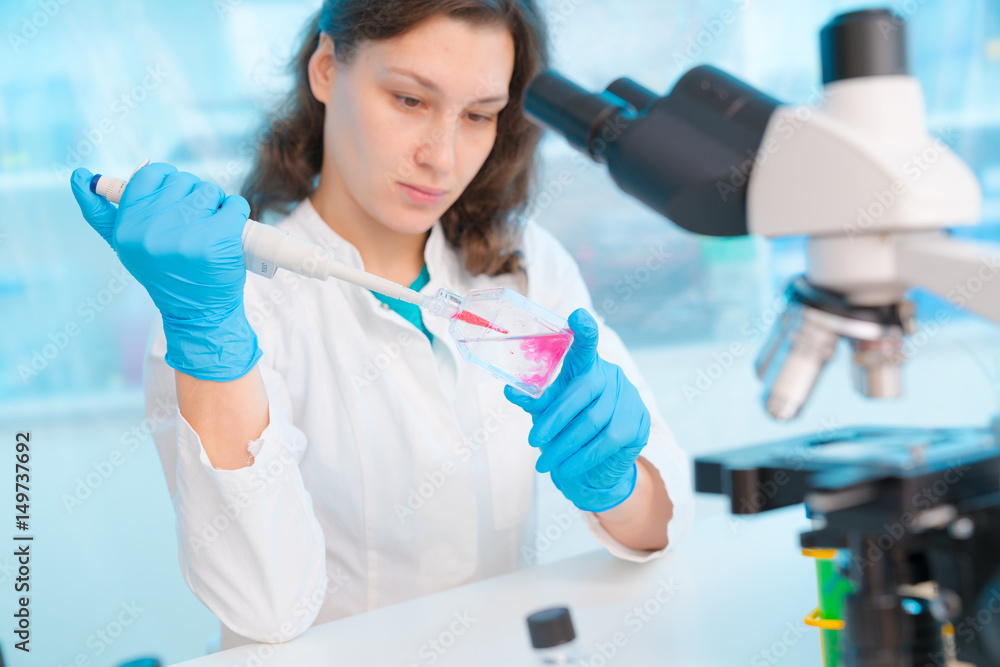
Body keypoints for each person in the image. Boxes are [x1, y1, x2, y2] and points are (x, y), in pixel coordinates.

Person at [70, 0, 693, 650]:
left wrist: (616, 485)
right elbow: (266, 612)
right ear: (326, 67)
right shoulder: (225, 306)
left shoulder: (524, 265)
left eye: (479, 115)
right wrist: (209, 345)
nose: (443, 157)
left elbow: (662, 524)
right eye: (409, 100)